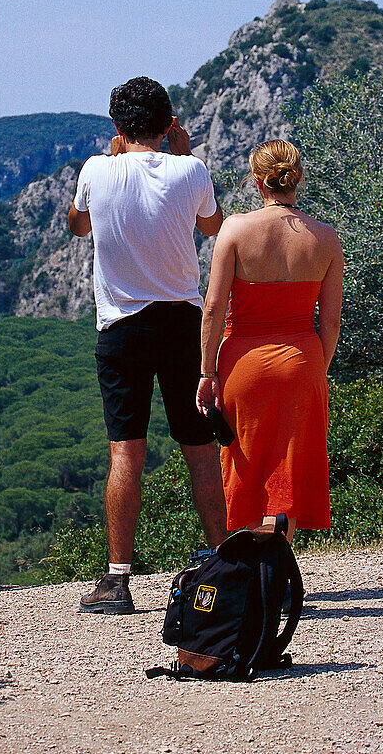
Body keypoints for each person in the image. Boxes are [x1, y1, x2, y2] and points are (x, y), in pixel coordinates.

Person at [68, 76, 227, 615]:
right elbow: (213, 228)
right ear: (168, 125)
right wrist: (184, 157)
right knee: (199, 448)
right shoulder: (192, 170)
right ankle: (219, 561)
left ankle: (117, 580)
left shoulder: (96, 170)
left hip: (121, 328)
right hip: (182, 323)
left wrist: (114, 160)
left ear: (117, 126)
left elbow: (77, 226)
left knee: (125, 450)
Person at [196, 139, 343, 543]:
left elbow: (212, 308)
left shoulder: (236, 230)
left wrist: (206, 371)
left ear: (257, 181)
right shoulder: (326, 238)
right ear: (298, 179)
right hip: (302, 361)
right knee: (288, 472)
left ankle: (250, 580)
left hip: (243, 362)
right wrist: (316, 367)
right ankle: (275, 574)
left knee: (246, 467)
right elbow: (330, 322)